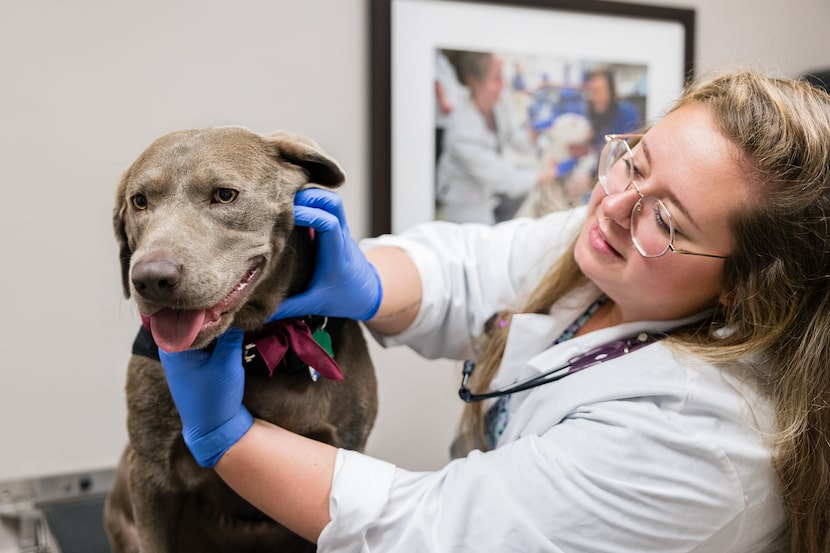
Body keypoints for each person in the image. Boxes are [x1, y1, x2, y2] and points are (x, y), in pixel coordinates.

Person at [158, 71, 830, 552]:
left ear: (743, 285)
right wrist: (355, 282)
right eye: (635, 162)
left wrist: (226, 436)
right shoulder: (609, 241)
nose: (613, 204)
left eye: (664, 216)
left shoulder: (700, 442)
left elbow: (433, 531)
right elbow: (467, 268)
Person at [436, 50, 556, 224]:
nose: (503, 85)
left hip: (489, 189)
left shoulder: (497, 105)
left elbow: (516, 139)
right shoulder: (461, 132)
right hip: (465, 201)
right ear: (473, 82)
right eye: (496, 78)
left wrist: (533, 133)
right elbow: (503, 178)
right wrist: (545, 175)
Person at [584, 67, 642, 153]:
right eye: (591, 91)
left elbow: (630, 146)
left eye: (598, 91)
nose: (593, 97)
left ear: (610, 91)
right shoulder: (590, 114)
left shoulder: (627, 113)